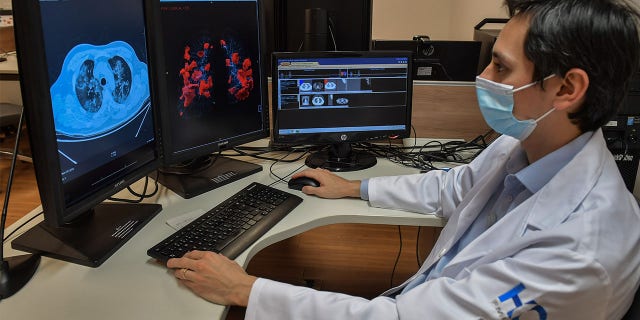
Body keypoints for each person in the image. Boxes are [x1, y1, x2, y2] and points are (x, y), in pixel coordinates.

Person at [166, 0, 640, 318]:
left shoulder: (579, 252)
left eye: (501, 66)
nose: (483, 76)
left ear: (566, 89)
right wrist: (354, 187)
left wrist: (246, 291)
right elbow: (454, 188)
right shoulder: (530, 144)